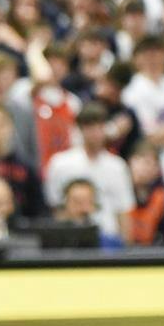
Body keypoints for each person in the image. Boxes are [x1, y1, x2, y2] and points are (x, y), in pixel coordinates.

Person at [44, 103, 133, 240]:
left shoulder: (117, 166)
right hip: (71, 237)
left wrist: (126, 248)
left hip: (108, 236)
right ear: (80, 129)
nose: (96, 133)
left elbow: (124, 211)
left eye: (100, 127)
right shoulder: (60, 163)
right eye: (90, 127)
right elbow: (55, 207)